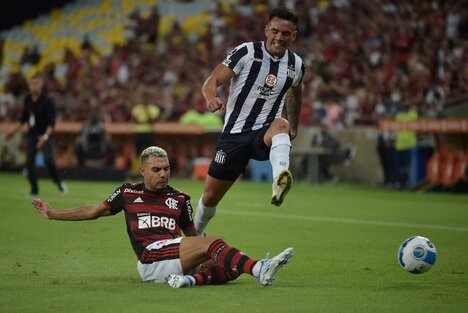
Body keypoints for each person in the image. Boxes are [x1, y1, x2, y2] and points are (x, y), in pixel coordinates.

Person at [31, 146, 294, 288]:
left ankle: (187, 281)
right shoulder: (127, 192)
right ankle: (260, 269)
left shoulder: (180, 198)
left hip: (173, 257)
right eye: (156, 169)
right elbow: (91, 211)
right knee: (214, 243)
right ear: (142, 170)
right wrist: (53, 213)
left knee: (231, 265)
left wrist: (210, 254)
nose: (163, 174)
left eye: (166, 168)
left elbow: (192, 236)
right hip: (150, 258)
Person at [195, 7, 305, 235]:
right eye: (275, 31)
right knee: (209, 198)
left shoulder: (296, 64)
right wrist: (211, 98)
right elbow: (213, 79)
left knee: (281, 125)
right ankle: (195, 235)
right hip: (234, 136)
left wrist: (293, 125)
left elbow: (296, 92)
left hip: (263, 133)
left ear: (293, 35)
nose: (279, 37)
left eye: (286, 33)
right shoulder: (246, 52)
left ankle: (279, 180)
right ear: (266, 30)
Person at [6, 73, 66, 196]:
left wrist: (44, 138)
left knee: (49, 160)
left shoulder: (48, 101)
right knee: (29, 161)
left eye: (36, 83)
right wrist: (12, 132)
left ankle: (59, 183)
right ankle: (34, 188)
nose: (34, 86)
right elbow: (24, 119)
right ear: (29, 85)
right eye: (32, 83)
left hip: (46, 135)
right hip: (32, 135)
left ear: (41, 85)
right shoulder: (27, 100)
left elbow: (51, 124)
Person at [131, 91, 160, 156]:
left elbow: (152, 121)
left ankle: (151, 166)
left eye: (147, 98)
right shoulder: (136, 108)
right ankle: (135, 166)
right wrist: (145, 122)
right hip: (138, 132)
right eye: (144, 98)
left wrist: (146, 109)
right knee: (137, 153)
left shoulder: (154, 108)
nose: (145, 100)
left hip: (149, 132)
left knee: (151, 153)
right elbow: (135, 121)